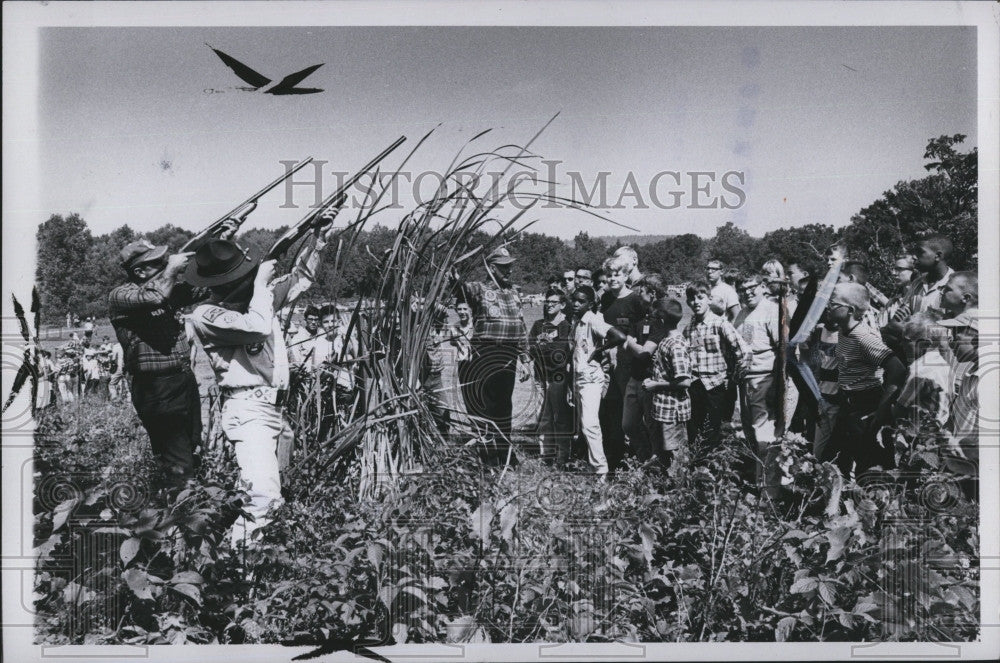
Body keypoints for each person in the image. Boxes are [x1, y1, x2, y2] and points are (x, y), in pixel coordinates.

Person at [186, 214, 334, 546]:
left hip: (275, 411)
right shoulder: (206, 314)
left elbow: (301, 279)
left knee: (270, 493)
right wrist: (261, 285)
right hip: (249, 409)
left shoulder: (257, 298)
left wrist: (317, 239)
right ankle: (232, 573)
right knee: (263, 497)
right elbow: (256, 326)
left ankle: (257, 563)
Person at [109, 232, 228, 488]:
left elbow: (209, 285)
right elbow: (153, 298)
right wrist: (172, 270)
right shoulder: (121, 295)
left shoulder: (167, 288)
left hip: (183, 381)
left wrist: (217, 246)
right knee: (178, 463)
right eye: (157, 262)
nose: (166, 264)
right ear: (140, 272)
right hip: (157, 390)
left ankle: (186, 507)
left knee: (193, 449)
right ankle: (184, 518)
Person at [451, 246, 532, 464]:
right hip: (485, 352)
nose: (509, 270)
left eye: (510, 266)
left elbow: (521, 325)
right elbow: (458, 288)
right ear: (492, 268)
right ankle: (488, 456)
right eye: (504, 267)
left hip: (508, 353)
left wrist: (524, 357)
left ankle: (506, 455)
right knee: (485, 405)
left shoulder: (514, 292)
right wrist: (453, 269)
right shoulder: (478, 289)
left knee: (504, 405)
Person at [824, 282, 906, 479]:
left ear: (850, 310)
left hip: (865, 405)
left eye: (833, 304)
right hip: (848, 404)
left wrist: (881, 409)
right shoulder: (844, 331)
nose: (828, 306)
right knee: (836, 461)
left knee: (868, 464)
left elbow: (897, 369)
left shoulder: (863, 337)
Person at [683, 280, 749, 451]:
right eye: (692, 299)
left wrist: (733, 378)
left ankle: (713, 470)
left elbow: (743, 351)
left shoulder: (720, 324)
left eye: (700, 297)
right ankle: (697, 470)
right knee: (694, 432)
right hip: (695, 385)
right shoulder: (689, 327)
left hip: (716, 386)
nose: (696, 302)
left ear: (709, 299)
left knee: (713, 432)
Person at [733, 273, 784, 492]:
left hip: (765, 379)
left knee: (764, 433)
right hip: (745, 381)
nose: (747, 292)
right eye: (742, 289)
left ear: (762, 286)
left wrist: (779, 384)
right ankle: (758, 482)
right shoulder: (743, 313)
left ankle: (770, 490)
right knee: (751, 433)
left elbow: (782, 347)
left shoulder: (770, 311)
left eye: (751, 287)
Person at [598, 254, 646, 469]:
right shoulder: (605, 299)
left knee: (631, 415)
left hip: (628, 362)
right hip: (607, 363)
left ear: (626, 275)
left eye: (617, 274)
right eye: (609, 275)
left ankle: (638, 459)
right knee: (611, 411)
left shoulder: (635, 300)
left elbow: (644, 332)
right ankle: (615, 460)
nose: (612, 278)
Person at [617, 274, 670, 463]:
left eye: (641, 292)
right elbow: (630, 345)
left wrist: (630, 343)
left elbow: (643, 353)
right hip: (635, 377)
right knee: (628, 425)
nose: (638, 295)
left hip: (651, 380)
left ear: (652, 293)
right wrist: (633, 345)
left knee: (653, 426)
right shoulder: (639, 318)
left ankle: (656, 466)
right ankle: (644, 458)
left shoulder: (662, 319)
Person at [567, 286, 615, 478]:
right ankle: (590, 464)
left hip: (591, 379)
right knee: (582, 426)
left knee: (590, 425)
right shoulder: (576, 322)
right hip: (580, 378)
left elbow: (617, 336)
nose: (576, 304)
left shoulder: (593, 320)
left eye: (581, 301)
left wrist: (599, 350)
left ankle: (601, 470)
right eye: (574, 300)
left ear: (591, 304)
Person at [642, 297, 692, 472]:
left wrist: (656, 385)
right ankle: (666, 484)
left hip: (673, 410)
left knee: (675, 454)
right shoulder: (666, 340)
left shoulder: (676, 345)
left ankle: (678, 489)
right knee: (664, 451)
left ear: (661, 320)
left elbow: (685, 381)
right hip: (664, 408)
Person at [529, 288, 572, 463]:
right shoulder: (538, 325)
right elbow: (530, 347)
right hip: (541, 376)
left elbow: (560, 352)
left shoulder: (567, 326)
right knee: (544, 417)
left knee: (560, 417)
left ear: (562, 305)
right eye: (547, 302)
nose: (549, 305)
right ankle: (546, 454)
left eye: (554, 302)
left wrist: (543, 347)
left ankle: (562, 456)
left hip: (558, 378)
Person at [893, 312, 951, 429]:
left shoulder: (919, 371)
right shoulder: (945, 365)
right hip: (939, 428)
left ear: (925, 344)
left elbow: (900, 409)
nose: (901, 344)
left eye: (906, 340)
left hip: (918, 431)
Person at [902, 235, 955, 316]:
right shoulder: (917, 283)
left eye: (920, 252)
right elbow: (899, 319)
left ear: (938, 256)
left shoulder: (956, 286)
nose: (914, 256)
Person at [449, 301, 475, 416]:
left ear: (471, 310)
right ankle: (475, 426)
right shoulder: (454, 327)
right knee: (467, 395)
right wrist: (460, 345)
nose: (462, 312)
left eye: (465, 309)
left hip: (477, 363)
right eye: (459, 309)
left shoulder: (476, 325)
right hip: (463, 364)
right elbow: (452, 341)